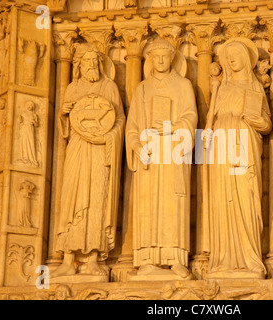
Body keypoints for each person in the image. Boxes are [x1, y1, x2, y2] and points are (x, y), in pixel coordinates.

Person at [126, 39, 197, 278]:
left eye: (165, 56)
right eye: (156, 57)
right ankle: (147, 259)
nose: (161, 61)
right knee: (148, 203)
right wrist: (136, 145)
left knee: (173, 203)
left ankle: (175, 258)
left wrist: (169, 128)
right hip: (150, 155)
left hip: (174, 152)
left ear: (173, 58)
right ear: (150, 60)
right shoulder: (142, 89)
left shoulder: (183, 85)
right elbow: (132, 125)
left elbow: (190, 117)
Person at [53, 42, 125, 277]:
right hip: (77, 147)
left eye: (95, 61)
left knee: (97, 199)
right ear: (79, 66)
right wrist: (63, 114)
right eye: (86, 61)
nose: (91, 65)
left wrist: (108, 135)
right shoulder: (73, 88)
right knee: (72, 198)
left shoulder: (110, 87)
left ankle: (94, 258)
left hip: (100, 150)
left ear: (101, 65)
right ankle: (67, 259)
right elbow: (66, 126)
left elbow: (120, 119)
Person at [204, 38, 271, 278]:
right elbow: (210, 120)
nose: (231, 59)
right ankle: (222, 260)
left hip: (245, 141)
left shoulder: (254, 87)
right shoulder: (221, 88)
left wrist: (254, 121)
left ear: (245, 59)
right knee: (222, 201)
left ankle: (249, 257)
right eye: (227, 56)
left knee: (246, 197)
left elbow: (266, 123)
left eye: (235, 55)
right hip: (221, 144)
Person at [19, 101, 39, 166]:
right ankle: (25, 157)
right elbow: (20, 122)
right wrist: (20, 119)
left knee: (31, 142)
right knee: (24, 142)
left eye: (30, 105)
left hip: (30, 129)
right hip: (24, 129)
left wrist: (34, 122)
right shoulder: (23, 113)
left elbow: (36, 125)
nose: (29, 106)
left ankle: (32, 158)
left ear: (33, 107)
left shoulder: (34, 115)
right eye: (28, 105)